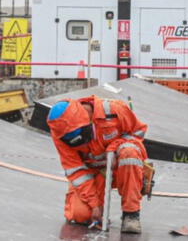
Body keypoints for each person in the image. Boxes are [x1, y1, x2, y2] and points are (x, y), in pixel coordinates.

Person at [47, 96, 148, 233]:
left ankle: (131, 214)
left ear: (87, 119)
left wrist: (115, 146)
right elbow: (76, 171)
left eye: (80, 135)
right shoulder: (60, 133)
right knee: (81, 215)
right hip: (94, 173)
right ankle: (94, 206)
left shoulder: (115, 110)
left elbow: (138, 132)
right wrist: (95, 205)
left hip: (119, 167)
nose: (79, 143)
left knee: (129, 153)